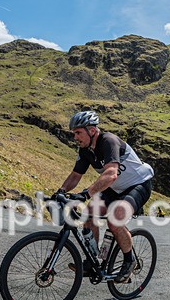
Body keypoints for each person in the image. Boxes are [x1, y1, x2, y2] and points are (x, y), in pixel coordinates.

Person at [57, 110, 154, 282]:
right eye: (74, 133)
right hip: (114, 188)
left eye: (78, 133)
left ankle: (129, 261)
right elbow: (75, 176)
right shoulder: (85, 150)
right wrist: (61, 191)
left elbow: (111, 174)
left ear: (92, 131)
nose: (75, 137)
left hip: (138, 184)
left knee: (115, 221)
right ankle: (93, 260)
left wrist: (86, 193)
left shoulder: (109, 141)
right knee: (88, 216)